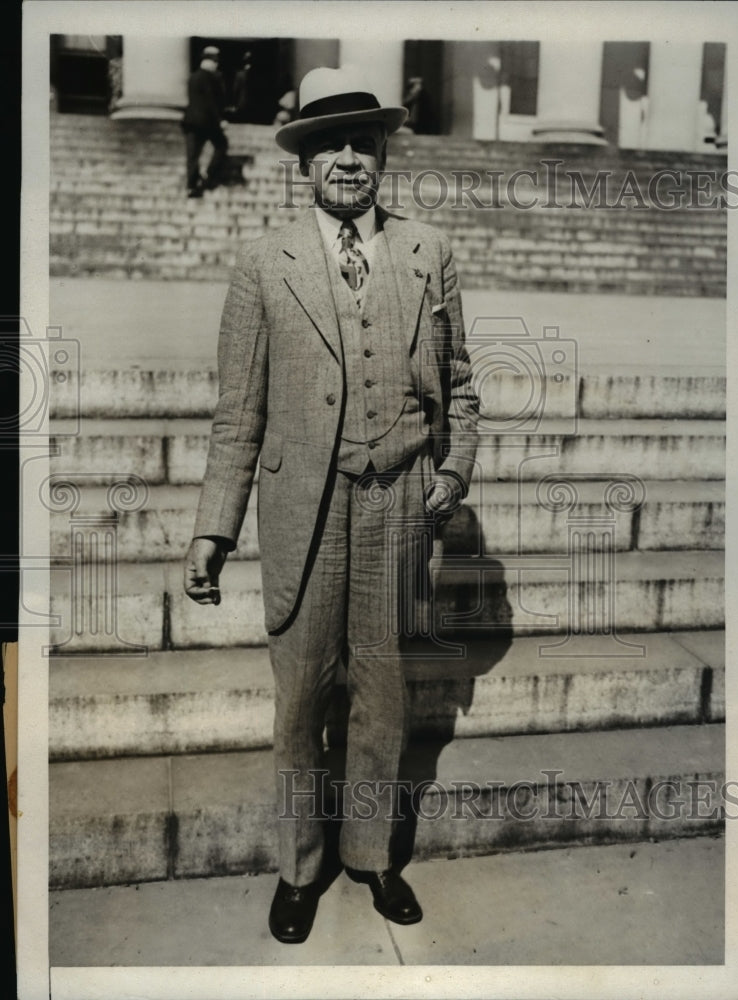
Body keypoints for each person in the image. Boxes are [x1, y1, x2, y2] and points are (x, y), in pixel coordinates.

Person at [183, 65, 479, 944]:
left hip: (396, 505)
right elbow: (239, 409)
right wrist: (211, 529)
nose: (348, 158)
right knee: (300, 700)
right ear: (301, 162)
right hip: (299, 511)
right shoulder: (262, 262)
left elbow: (460, 387)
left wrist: (451, 475)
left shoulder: (428, 251)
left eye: (363, 142)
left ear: (383, 152)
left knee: (383, 698)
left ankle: (371, 857)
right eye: (328, 145)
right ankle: (299, 869)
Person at [182, 45, 228, 197]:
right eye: (216, 61)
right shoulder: (211, 78)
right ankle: (208, 175)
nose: (217, 64)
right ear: (212, 61)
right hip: (207, 123)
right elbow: (210, 101)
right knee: (222, 145)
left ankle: (191, 186)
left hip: (190, 122)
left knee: (192, 155)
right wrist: (220, 120)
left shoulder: (193, 77)